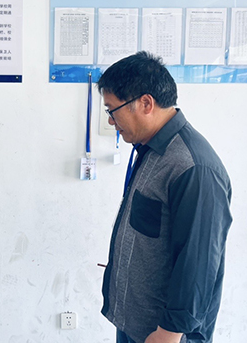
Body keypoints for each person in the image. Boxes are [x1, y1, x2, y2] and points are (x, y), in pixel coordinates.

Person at [97, 51, 232, 343]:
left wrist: (169, 333)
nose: (111, 121)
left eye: (113, 110)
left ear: (146, 103)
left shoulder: (194, 168)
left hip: (164, 334)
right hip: (137, 324)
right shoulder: (153, 148)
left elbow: (198, 262)